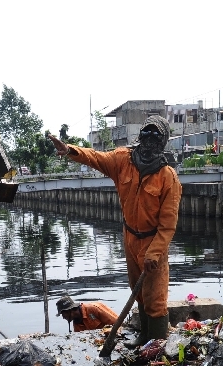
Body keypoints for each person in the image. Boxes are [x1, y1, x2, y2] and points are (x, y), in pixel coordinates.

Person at [48, 115, 181, 346]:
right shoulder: (122, 160)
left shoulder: (168, 177)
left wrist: (155, 252)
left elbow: (168, 224)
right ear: (140, 135)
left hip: (152, 243)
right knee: (137, 292)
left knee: (156, 298)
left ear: (164, 140)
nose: (150, 138)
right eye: (147, 132)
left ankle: (156, 347)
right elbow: (96, 158)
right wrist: (70, 150)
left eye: (156, 134)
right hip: (130, 237)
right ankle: (143, 337)